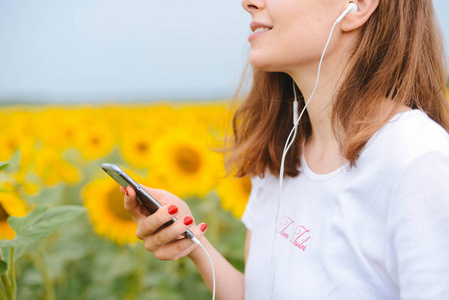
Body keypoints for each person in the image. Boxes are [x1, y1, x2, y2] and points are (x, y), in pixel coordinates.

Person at [120, 0, 449, 299]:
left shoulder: (419, 160)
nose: (249, 3)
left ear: (357, 6)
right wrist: (192, 241)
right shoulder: (283, 151)